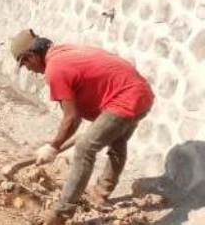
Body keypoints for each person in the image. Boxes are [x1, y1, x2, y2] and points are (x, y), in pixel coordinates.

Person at [10, 29, 155, 225]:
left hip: (125, 99)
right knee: (117, 142)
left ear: (32, 56)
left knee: (85, 148)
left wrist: (53, 146)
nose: (28, 69)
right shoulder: (62, 51)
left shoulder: (55, 70)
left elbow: (72, 118)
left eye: (25, 63)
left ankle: (60, 214)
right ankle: (100, 193)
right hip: (140, 92)